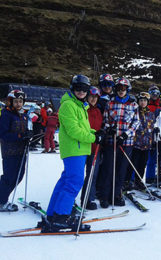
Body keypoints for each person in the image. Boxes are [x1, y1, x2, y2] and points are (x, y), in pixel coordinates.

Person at [43, 75, 104, 232]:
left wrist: (97, 132)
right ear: (72, 88)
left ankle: (52, 214)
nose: (82, 92)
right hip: (74, 149)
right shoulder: (68, 105)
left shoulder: (79, 105)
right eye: (78, 88)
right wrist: (93, 137)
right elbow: (74, 131)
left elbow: (83, 128)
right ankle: (61, 216)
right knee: (75, 182)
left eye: (84, 89)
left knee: (65, 180)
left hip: (78, 149)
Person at [100, 77, 139, 208]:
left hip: (126, 142)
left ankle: (116, 195)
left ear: (127, 89)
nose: (121, 91)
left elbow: (136, 123)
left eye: (124, 88)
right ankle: (104, 196)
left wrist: (126, 135)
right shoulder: (110, 103)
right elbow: (105, 121)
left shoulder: (133, 105)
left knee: (121, 170)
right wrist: (109, 129)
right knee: (109, 168)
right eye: (119, 88)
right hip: (112, 141)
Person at [0, 90, 31, 212]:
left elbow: (24, 130)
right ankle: (1, 201)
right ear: (10, 102)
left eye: (20, 101)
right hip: (10, 151)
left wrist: (29, 135)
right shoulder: (6, 115)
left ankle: (2, 197)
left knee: (19, 176)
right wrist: (19, 136)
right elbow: (3, 133)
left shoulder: (22, 114)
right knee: (9, 177)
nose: (18, 104)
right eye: (16, 101)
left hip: (21, 150)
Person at [80, 86, 103, 210]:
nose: (93, 99)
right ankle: (70, 199)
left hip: (95, 147)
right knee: (77, 175)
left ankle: (88, 199)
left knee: (92, 175)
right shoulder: (83, 109)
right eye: (91, 96)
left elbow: (99, 126)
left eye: (95, 97)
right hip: (82, 147)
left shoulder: (98, 111)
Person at [128, 92, 155, 190]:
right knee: (133, 163)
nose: (143, 102)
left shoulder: (151, 114)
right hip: (136, 143)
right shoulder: (135, 112)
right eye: (141, 100)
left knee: (142, 165)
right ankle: (129, 181)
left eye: (145, 101)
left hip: (146, 144)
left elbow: (152, 127)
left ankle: (138, 180)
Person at [146, 85, 161, 183]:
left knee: (154, 157)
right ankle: (133, 178)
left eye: (156, 93)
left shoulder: (160, 105)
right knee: (143, 157)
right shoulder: (147, 104)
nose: (155, 95)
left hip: (157, 134)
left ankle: (150, 177)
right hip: (146, 133)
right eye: (152, 93)